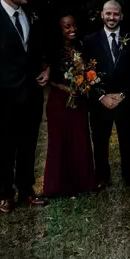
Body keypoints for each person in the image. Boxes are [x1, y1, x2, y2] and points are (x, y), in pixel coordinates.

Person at [0, 0, 50, 213]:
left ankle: (27, 190)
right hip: (3, 97)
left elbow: (39, 49)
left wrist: (47, 68)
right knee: (5, 147)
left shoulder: (32, 15)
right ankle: (5, 195)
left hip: (31, 94)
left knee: (29, 145)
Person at [83, 0, 130, 192]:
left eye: (115, 14)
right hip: (100, 102)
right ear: (102, 15)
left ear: (121, 16)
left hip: (125, 100)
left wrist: (122, 95)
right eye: (108, 14)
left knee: (127, 140)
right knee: (100, 140)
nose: (112, 17)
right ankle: (102, 176)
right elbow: (85, 72)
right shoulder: (90, 41)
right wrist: (101, 96)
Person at [43, 13, 95, 197]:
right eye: (67, 27)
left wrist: (84, 81)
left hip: (78, 100)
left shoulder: (80, 46)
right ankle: (59, 186)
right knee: (60, 141)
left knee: (80, 138)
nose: (72, 30)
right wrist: (65, 88)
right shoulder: (52, 50)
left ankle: (83, 182)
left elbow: (89, 70)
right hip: (59, 101)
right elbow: (46, 79)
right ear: (60, 29)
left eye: (74, 25)